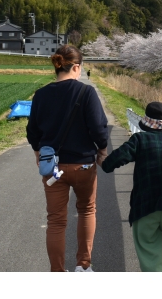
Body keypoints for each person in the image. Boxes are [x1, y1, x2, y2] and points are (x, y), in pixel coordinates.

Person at [27, 45, 109, 272]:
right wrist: (102, 150)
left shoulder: (41, 94)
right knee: (86, 210)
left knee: (55, 220)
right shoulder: (86, 92)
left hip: (52, 167)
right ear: (75, 67)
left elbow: (32, 131)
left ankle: (57, 271)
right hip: (83, 165)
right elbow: (99, 129)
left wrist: (38, 153)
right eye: (80, 68)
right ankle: (83, 266)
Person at [99, 101, 162, 272]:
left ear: (147, 122)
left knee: (149, 256)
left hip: (145, 207)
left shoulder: (139, 140)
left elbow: (111, 163)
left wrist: (102, 160)